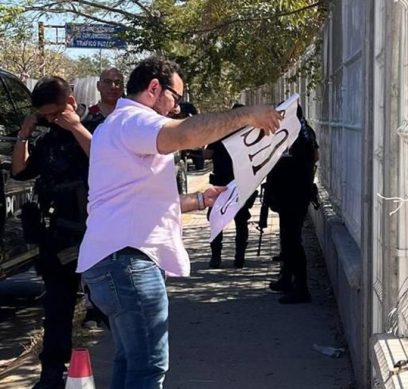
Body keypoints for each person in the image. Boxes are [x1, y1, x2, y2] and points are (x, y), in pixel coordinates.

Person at [77, 56, 281, 388]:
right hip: (128, 262)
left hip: (112, 262)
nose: (176, 107)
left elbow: (137, 199)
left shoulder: (114, 126)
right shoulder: (134, 121)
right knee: (148, 367)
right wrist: (247, 115)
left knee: (131, 362)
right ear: (154, 87)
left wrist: (200, 200)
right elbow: (186, 134)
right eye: (175, 97)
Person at [11, 76, 94, 389]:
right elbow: (19, 171)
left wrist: (75, 126)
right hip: (57, 236)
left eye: (56, 113)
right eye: (45, 116)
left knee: (106, 304)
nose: (51, 120)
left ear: (71, 103)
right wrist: (24, 136)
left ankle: (129, 367)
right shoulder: (47, 140)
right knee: (57, 308)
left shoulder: (95, 129)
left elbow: (104, 159)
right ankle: (52, 372)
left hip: (95, 234)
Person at [80, 67, 125, 329]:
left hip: (122, 195)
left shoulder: (129, 117)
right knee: (95, 250)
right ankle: (93, 305)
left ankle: (115, 302)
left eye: (118, 82)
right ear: (98, 86)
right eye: (107, 82)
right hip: (94, 193)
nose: (112, 86)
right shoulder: (88, 118)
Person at [266, 104, 319, 304]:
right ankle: (287, 279)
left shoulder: (296, 135)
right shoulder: (303, 132)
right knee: (288, 240)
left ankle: (301, 289)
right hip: (291, 194)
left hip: (293, 195)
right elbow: (316, 157)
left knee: (293, 241)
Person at [205, 103, 258, 269]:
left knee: (216, 219)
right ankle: (239, 259)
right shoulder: (250, 134)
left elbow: (207, 154)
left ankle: (216, 258)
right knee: (241, 221)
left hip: (222, 184)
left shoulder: (221, 132)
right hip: (242, 182)